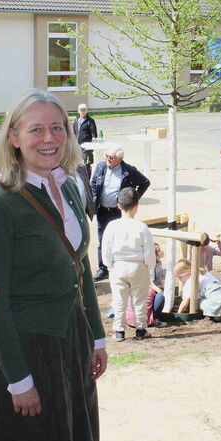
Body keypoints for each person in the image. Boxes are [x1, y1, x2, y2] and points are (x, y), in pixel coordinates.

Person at [0, 89, 107, 441]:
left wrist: (96, 336)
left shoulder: (66, 186)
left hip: (72, 338)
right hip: (27, 347)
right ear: (13, 137)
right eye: (36, 130)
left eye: (57, 128)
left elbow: (79, 268)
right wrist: (18, 380)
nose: (49, 139)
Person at [101, 187, 156, 341]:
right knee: (139, 299)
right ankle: (140, 329)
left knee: (119, 299)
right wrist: (148, 266)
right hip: (137, 265)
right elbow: (149, 251)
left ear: (118, 205)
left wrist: (109, 265)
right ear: (137, 205)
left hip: (118, 265)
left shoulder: (112, 226)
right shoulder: (141, 227)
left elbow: (106, 249)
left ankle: (119, 330)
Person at [90, 144, 150, 281]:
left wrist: (130, 199)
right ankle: (103, 268)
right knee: (102, 239)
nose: (108, 159)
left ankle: (118, 267)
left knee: (120, 239)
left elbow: (145, 182)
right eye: (107, 156)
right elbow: (93, 184)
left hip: (119, 212)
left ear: (120, 159)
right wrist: (94, 200)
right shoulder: (101, 167)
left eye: (111, 157)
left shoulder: (128, 171)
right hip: (103, 210)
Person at [73, 103, 98, 174]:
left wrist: (92, 145)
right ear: (78, 111)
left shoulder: (90, 121)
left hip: (87, 147)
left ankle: (87, 181)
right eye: (81, 110)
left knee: (86, 165)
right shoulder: (76, 120)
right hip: (77, 146)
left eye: (84, 110)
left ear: (87, 111)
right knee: (77, 164)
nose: (82, 111)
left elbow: (94, 134)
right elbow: (74, 132)